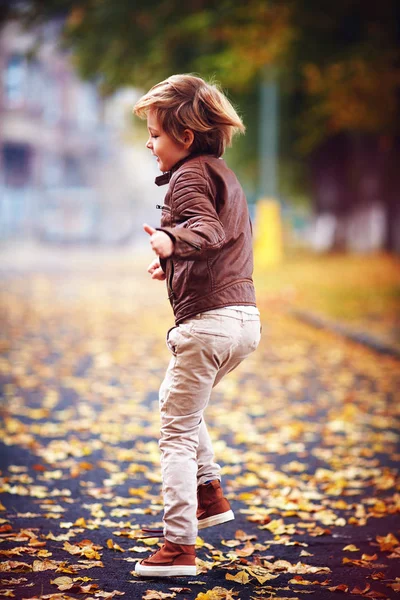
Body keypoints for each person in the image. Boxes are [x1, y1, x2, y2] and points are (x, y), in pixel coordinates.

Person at [133, 74, 261, 577]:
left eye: (156, 134)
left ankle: (178, 546)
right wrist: (174, 260)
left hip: (206, 324)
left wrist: (169, 241)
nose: (149, 143)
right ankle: (209, 493)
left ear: (184, 137)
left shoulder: (188, 177)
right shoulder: (221, 174)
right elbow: (221, 238)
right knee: (184, 405)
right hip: (242, 321)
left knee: (176, 433)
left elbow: (203, 230)